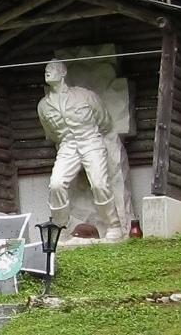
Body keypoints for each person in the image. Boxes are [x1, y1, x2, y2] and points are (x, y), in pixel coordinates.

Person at [37, 59, 123, 240]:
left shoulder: (84, 96)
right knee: (56, 184)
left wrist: (93, 138)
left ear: (63, 73)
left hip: (90, 140)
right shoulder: (43, 106)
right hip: (67, 144)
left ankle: (114, 225)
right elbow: (51, 132)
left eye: (52, 69)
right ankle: (59, 231)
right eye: (46, 69)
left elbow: (104, 120)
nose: (47, 71)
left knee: (99, 183)